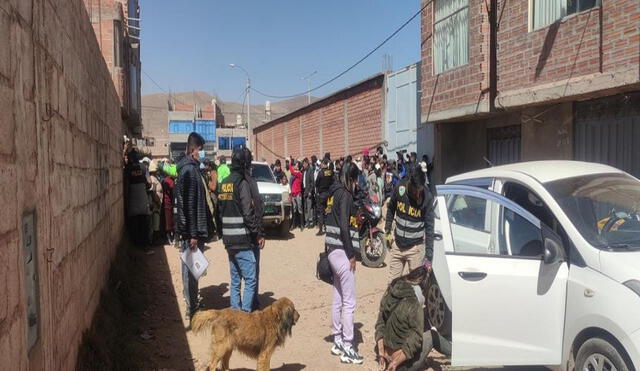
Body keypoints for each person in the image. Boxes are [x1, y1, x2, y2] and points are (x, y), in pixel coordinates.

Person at [375, 266, 451, 371]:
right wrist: (395, 363)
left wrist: (381, 354)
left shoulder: (392, 289)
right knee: (432, 336)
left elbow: (381, 323)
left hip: (385, 355)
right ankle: (458, 354)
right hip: (400, 364)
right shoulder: (414, 304)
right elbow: (415, 340)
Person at [217, 146, 265, 312]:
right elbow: (248, 212)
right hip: (242, 241)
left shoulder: (223, 183)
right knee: (251, 280)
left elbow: (219, 212)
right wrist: (257, 234)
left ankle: (234, 314)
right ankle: (244, 316)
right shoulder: (242, 183)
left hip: (228, 241)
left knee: (235, 281)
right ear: (245, 164)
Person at [325, 162, 364, 365]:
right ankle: (348, 347)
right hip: (342, 253)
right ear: (351, 178)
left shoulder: (333, 193)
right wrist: (351, 254)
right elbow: (343, 225)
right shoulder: (346, 195)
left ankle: (337, 340)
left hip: (331, 252)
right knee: (349, 302)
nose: (357, 184)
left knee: (338, 297)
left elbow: (328, 221)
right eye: (356, 179)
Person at [175, 132, 210, 319]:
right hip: (191, 231)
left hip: (192, 230)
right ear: (192, 149)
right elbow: (189, 204)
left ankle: (193, 302)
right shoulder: (189, 170)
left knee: (193, 269)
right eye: (200, 150)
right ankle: (192, 308)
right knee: (190, 270)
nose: (202, 153)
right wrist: (193, 235)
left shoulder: (192, 168)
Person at [384, 164, 436, 282]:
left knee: (416, 287)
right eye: (415, 190)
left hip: (415, 249)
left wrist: (428, 257)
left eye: (420, 191)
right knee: (392, 285)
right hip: (397, 246)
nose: (418, 194)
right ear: (410, 183)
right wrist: (387, 231)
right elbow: (391, 209)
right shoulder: (400, 188)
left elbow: (430, 228)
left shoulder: (427, 197)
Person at [124, 149, 151, 247]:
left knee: (134, 223)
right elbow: (149, 182)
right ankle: (145, 244)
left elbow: (126, 183)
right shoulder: (143, 167)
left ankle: (135, 244)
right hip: (143, 196)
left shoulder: (128, 168)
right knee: (144, 221)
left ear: (130, 158)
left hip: (132, 197)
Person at [315, 158, 334, 236]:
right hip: (329, 194)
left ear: (323, 164)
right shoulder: (330, 172)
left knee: (321, 212)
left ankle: (320, 230)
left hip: (322, 195)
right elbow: (333, 182)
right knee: (328, 211)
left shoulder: (320, 173)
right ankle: (328, 228)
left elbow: (316, 183)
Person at [288, 158, 304, 231]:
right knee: (294, 209)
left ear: (298, 167)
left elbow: (291, 170)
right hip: (293, 194)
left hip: (298, 194)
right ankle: (294, 225)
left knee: (299, 209)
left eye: (296, 165)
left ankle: (302, 225)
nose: (295, 166)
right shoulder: (294, 174)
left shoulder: (299, 173)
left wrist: (290, 162)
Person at [303, 158, 315, 229]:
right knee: (306, 207)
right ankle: (307, 221)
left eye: (304, 163)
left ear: (307, 163)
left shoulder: (310, 171)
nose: (303, 165)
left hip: (309, 191)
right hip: (304, 191)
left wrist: (310, 191)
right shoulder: (304, 171)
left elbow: (312, 182)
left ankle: (310, 222)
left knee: (310, 207)